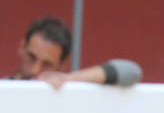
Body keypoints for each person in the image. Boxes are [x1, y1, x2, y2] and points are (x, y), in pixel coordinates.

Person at [8, 16, 142, 88]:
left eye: (47, 64)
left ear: (61, 66)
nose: (35, 70)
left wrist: (70, 78)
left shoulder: (69, 89)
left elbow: (131, 71)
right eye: (31, 57)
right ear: (21, 47)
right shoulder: (0, 88)